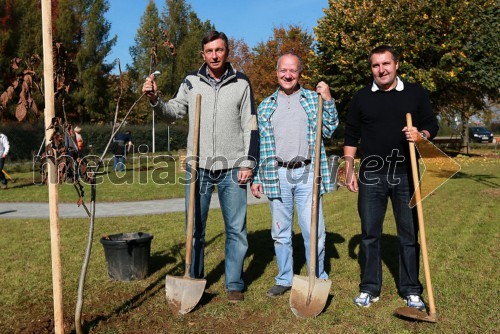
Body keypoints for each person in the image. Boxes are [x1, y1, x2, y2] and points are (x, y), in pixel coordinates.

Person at [142, 30, 259, 303]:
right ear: (203, 54)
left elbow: (250, 125)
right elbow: (173, 112)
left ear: (227, 51)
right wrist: (154, 100)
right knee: (194, 228)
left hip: (233, 166)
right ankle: (193, 279)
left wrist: (248, 162)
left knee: (236, 229)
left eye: (219, 50)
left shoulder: (241, 83)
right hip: (198, 165)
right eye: (209, 51)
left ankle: (233, 283)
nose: (214, 55)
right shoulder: (191, 82)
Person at [343, 45, 439, 310]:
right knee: (369, 233)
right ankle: (369, 288)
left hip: (405, 174)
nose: (381, 70)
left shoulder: (415, 93)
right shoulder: (361, 97)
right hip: (372, 174)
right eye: (375, 65)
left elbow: (432, 124)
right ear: (371, 68)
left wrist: (422, 136)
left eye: (386, 64)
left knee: (408, 234)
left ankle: (411, 290)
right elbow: (351, 135)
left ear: (397, 65)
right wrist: (349, 170)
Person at [250, 53, 339, 297]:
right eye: (283, 71)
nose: (288, 75)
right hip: (277, 173)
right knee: (280, 231)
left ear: (300, 73)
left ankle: (317, 276)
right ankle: (284, 278)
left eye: (293, 71)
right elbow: (261, 145)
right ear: (276, 73)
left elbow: (330, 129)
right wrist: (257, 177)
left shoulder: (313, 99)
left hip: (308, 173)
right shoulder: (266, 105)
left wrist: (328, 100)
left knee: (313, 231)